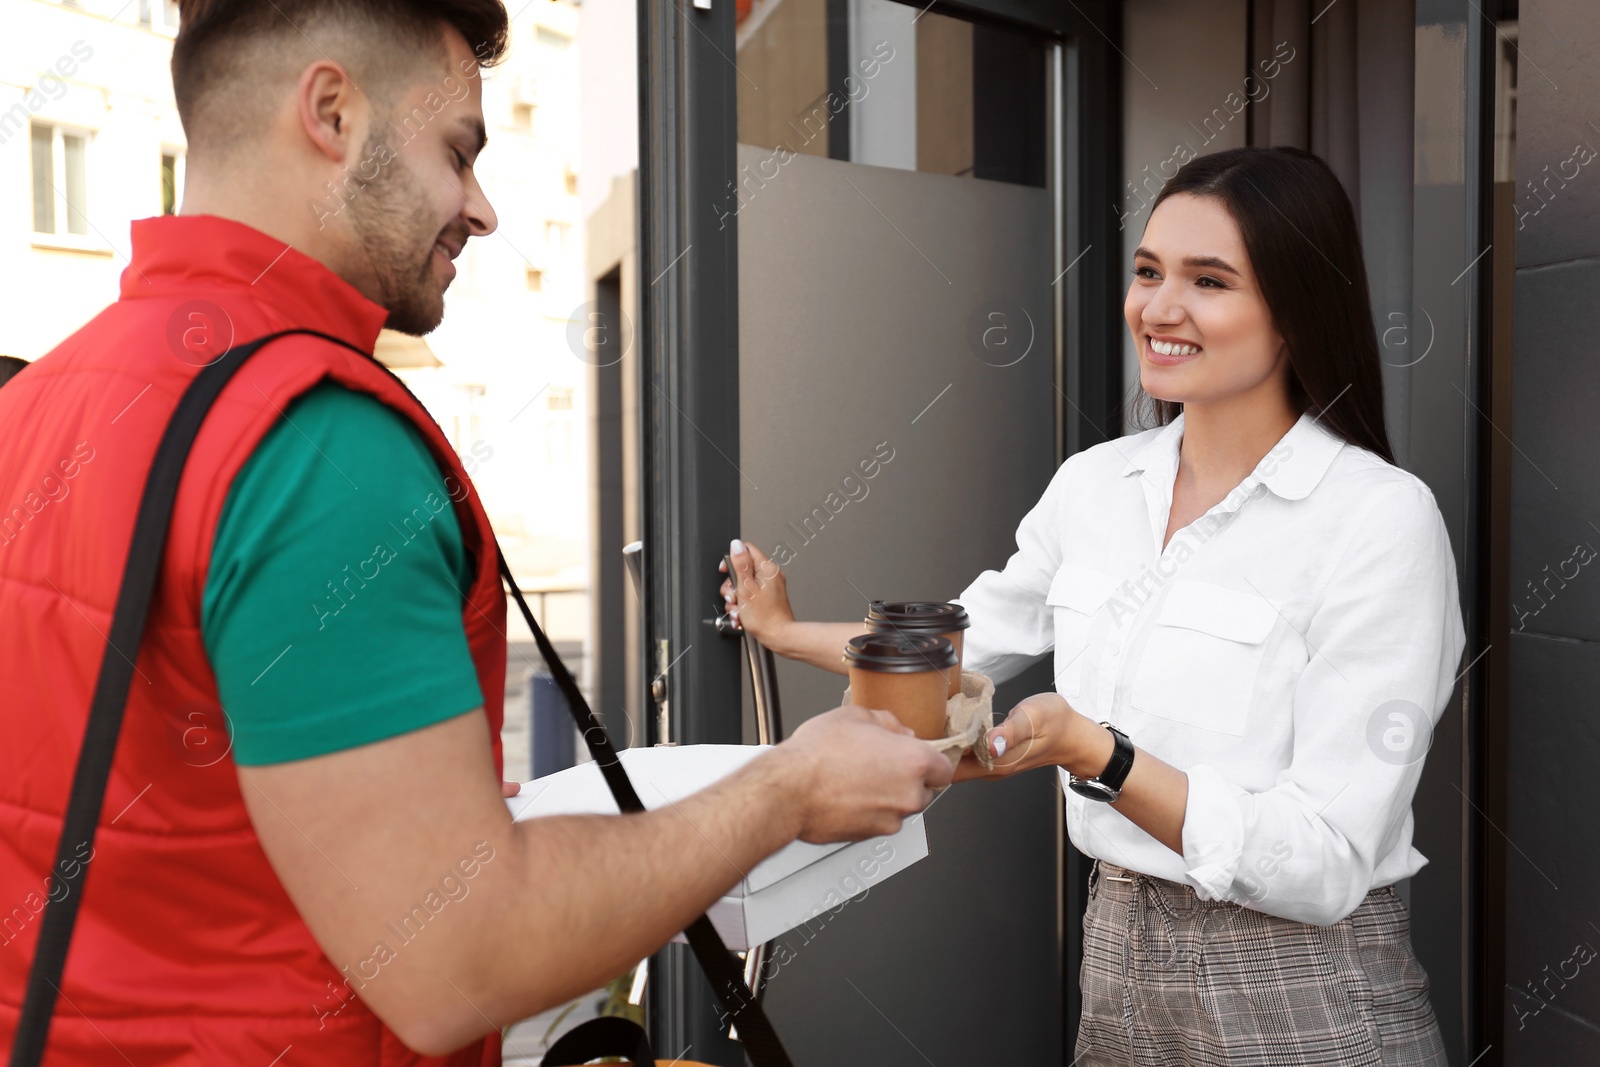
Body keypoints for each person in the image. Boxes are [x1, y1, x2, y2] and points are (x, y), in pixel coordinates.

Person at [0, 1, 950, 1063]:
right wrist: (788, 787)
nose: (481, 209)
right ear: (330, 112)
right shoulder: (316, 445)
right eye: (458, 154)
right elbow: (458, 959)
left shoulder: (38, 406)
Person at [725, 146, 1465, 1066]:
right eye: (1149, 271)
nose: (1158, 308)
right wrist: (785, 630)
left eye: (1209, 280)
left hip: (1305, 986)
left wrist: (1097, 752)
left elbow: (1324, 858)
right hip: (1116, 950)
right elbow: (961, 644)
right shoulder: (1095, 486)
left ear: (1295, 310)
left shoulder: (1378, 518)